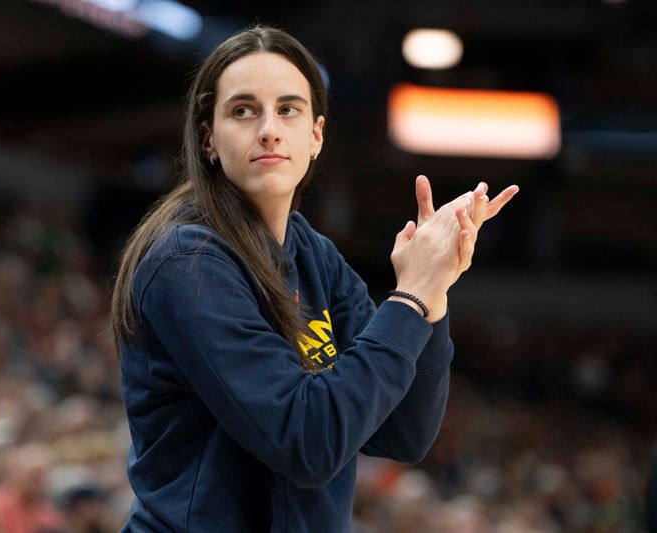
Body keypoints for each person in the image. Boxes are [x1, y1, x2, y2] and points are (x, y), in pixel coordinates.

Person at [110, 25, 518, 532]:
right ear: (207, 139)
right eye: (243, 110)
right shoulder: (186, 262)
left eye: (288, 109)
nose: (268, 129)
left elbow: (403, 433)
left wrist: (433, 293)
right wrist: (408, 298)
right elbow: (307, 443)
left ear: (316, 136)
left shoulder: (313, 254)